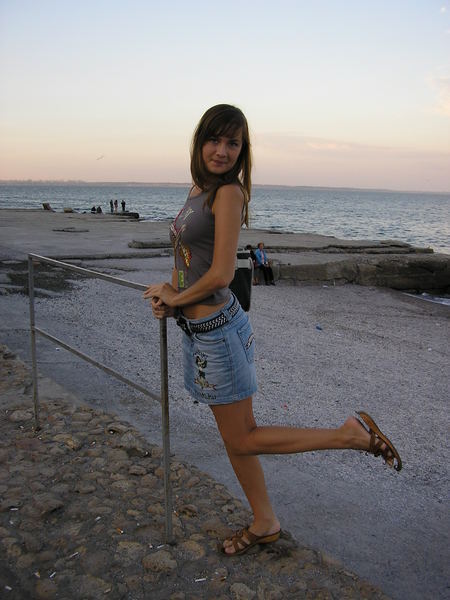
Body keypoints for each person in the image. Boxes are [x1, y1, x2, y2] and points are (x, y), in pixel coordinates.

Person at [143, 104, 402, 557]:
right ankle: (265, 521)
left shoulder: (228, 193)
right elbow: (187, 257)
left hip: (217, 333)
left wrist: (177, 297)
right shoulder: (199, 189)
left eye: (233, 143)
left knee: (243, 436)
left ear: (243, 151)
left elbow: (222, 274)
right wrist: (173, 299)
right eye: (214, 140)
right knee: (235, 438)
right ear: (199, 142)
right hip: (201, 329)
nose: (222, 151)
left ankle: (347, 436)